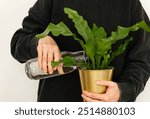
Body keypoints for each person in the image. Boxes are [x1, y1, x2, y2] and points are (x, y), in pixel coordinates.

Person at [11, 0, 150, 102]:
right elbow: (18, 42)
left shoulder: (130, 3)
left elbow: (141, 60)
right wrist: (40, 41)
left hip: (108, 111)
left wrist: (123, 91)